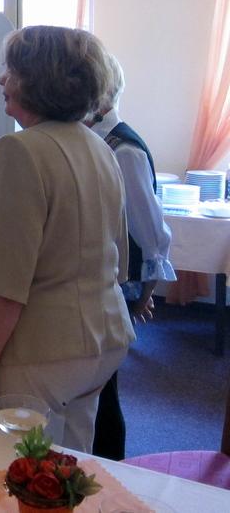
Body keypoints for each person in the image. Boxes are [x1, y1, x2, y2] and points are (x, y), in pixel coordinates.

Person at [0, 25, 136, 452]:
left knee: (16, 470)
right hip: (103, 341)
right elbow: (119, 258)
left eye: (11, 70)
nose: (2, 80)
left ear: (37, 80)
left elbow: (3, 286)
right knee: (71, 465)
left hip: (41, 351)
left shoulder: (20, 151)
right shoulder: (99, 147)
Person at [85, 54, 176, 460]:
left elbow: (152, 235)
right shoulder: (94, 142)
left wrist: (143, 293)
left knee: (104, 390)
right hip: (102, 279)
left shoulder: (124, 151)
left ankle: (111, 469)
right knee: (96, 388)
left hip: (115, 282)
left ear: (101, 95)